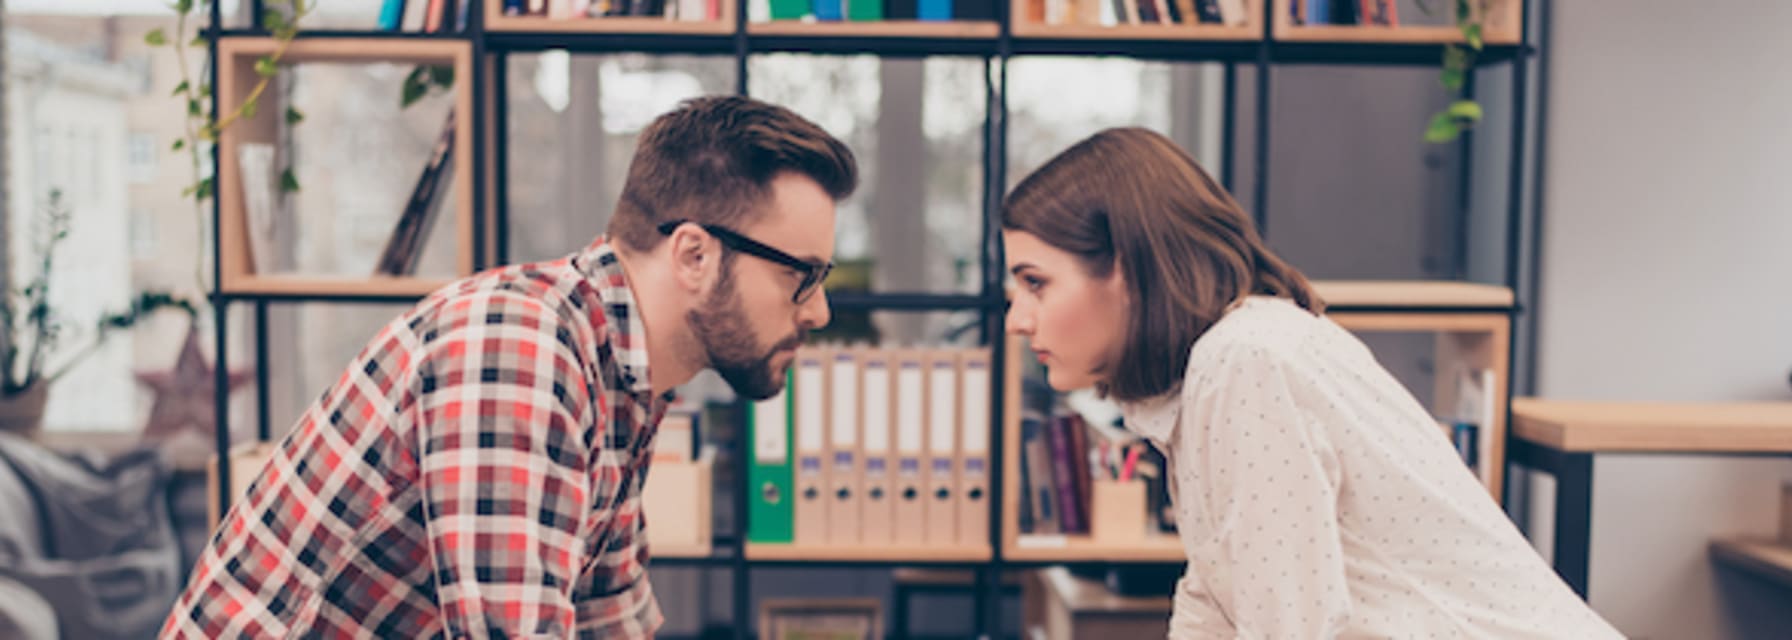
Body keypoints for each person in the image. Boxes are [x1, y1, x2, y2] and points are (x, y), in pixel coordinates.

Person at [161, 95, 856, 639]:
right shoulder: (519, 349)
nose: (819, 310)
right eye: (803, 275)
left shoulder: (625, 377)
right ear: (695, 255)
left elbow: (609, 616)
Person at [1000, 127, 1620, 638]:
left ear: (1128, 270)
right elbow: (1213, 605)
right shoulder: (1214, 375)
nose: (1016, 321)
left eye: (1036, 283)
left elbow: (1290, 632)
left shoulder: (1246, 362)